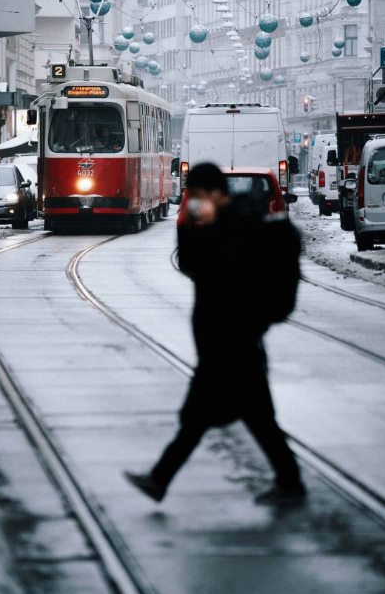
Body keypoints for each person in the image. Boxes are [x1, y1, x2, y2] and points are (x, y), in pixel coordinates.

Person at [124, 162, 306, 506]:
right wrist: (195, 228)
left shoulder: (240, 227)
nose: (193, 201)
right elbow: (191, 265)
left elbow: (225, 274)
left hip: (232, 339)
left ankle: (159, 479)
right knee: (255, 417)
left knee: (199, 418)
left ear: (216, 194)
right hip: (227, 339)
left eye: (198, 195)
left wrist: (207, 230)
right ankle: (289, 481)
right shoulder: (211, 224)